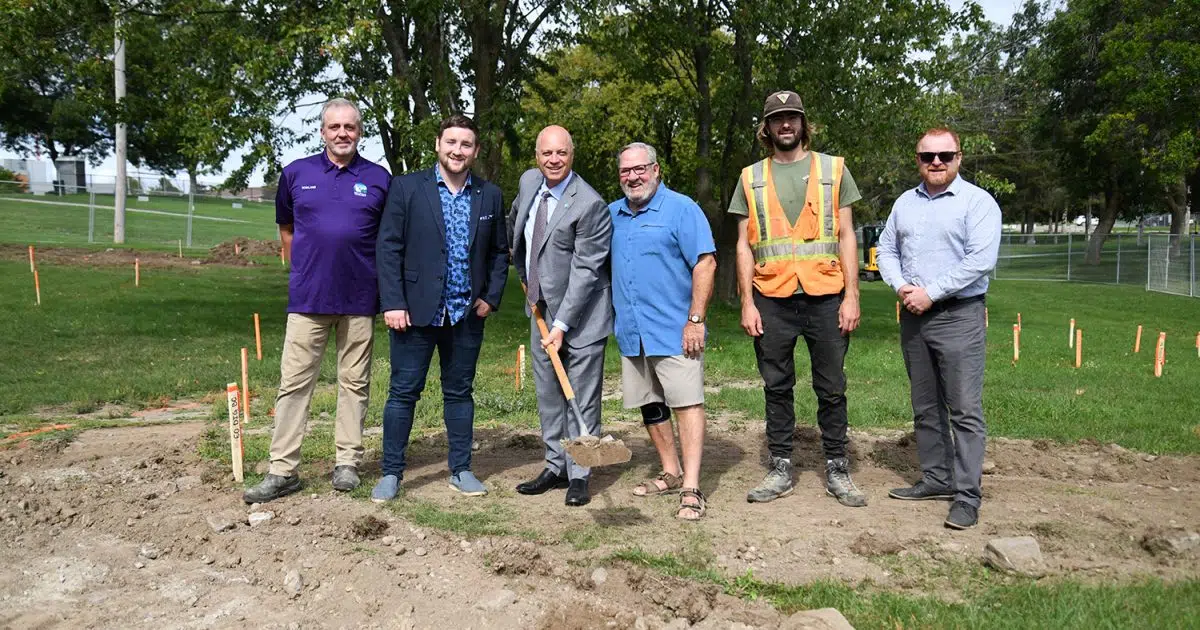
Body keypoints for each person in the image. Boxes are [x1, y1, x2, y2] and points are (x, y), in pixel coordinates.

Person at [244, 98, 390, 504]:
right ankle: (282, 470)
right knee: (294, 384)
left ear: (360, 132)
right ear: (322, 131)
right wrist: (307, 268)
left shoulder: (378, 178)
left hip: (360, 298)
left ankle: (347, 462)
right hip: (308, 298)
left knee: (354, 383)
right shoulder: (296, 174)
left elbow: (386, 238)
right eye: (334, 127)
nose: (342, 133)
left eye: (350, 127)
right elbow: (287, 230)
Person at [729, 90, 867, 507]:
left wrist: (852, 295)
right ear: (766, 128)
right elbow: (742, 246)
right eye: (777, 119)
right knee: (776, 385)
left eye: (792, 118)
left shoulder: (833, 169)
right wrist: (747, 302)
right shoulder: (750, 177)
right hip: (771, 296)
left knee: (832, 386)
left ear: (804, 124)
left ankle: (837, 467)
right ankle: (781, 466)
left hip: (826, 294)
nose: (785, 125)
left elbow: (846, 235)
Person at [370, 114, 509, 502]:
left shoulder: (489, 195)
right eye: (451, 142)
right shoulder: (407, 188)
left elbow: (500, 252)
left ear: (475, 151)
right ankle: (391, 473)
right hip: (414, 312)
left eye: (466, 145)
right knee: (402, 393)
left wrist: (491, 297)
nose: (457, 150)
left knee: (460, 393)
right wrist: (393, 301)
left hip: (466, 313)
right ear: (438, 145)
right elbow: (389, 247)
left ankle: (461, 469)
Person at [876, 127, 1001, 530]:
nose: (936, 162)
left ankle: (967, 496)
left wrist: (931, 291)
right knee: (925, 406)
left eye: (945, 155)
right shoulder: (904, 204)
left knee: (964, 409)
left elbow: (980, 260)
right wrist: (900, 286)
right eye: (927, 156)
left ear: (959, 158)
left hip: (958, 315)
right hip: (914, 316)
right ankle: (936, 478)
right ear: (917, 159)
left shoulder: (978, 203)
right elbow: (886, 249)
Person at [608, 142, 716, 520]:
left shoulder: (682, 209)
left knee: (686, 402)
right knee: (650, 404)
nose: (632, 177)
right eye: (625, 171)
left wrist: (695, 319)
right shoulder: (612, 215)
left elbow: (705, 263)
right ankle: (671, 471)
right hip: (632, 331)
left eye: (640, 169)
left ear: (656, 171)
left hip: (675, 330)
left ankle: (692, 487)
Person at [509, 125, 613, 507]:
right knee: (549, 394)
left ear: (572, 155)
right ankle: (556, 466)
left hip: (581, 315)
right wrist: (521, 271)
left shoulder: (589, 204)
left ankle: (581, 473)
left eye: (562, 154)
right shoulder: (528, 182)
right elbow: (516, 222)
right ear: (537, 156)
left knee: (580, 398)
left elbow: (587, 270)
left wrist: (562, 324)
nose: (554, 160)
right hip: (539, 308)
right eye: (546, 153)